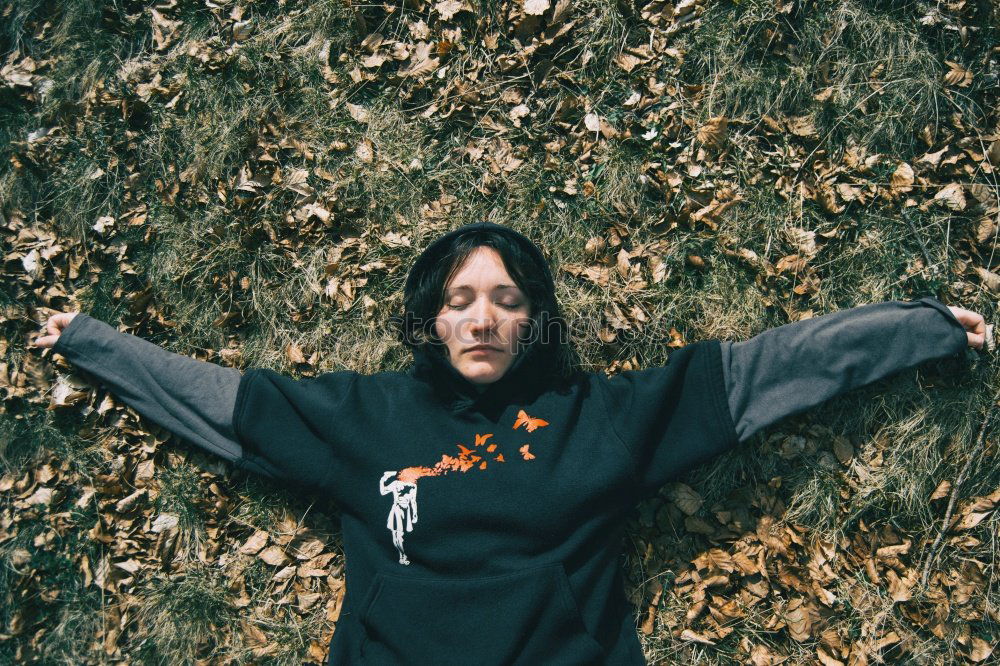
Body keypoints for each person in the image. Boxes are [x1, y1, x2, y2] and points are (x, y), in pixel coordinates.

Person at [34, 222, 986, 665]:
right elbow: (221, 404)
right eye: (459, 301)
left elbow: (765, 374)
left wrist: (921, 328)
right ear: (432, 322)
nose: (481, 319)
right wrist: (90, 343)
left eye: (506, 300)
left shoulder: (603, 415)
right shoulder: (364, 417)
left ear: (534, 321)